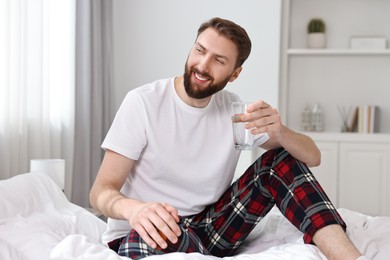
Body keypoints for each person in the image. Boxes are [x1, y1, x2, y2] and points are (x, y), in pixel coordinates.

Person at [90, 17, 364, 259]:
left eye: (219, 60)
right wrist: (134, 210)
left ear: (234, 74)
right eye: (200, 50)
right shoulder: (143, 103)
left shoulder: (234, 111)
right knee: (155, 237)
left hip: (210, 228)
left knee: (280, 159)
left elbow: (312, 156)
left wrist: (280, 131)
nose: (202, 65)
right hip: (147, 231)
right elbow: (100, 192)